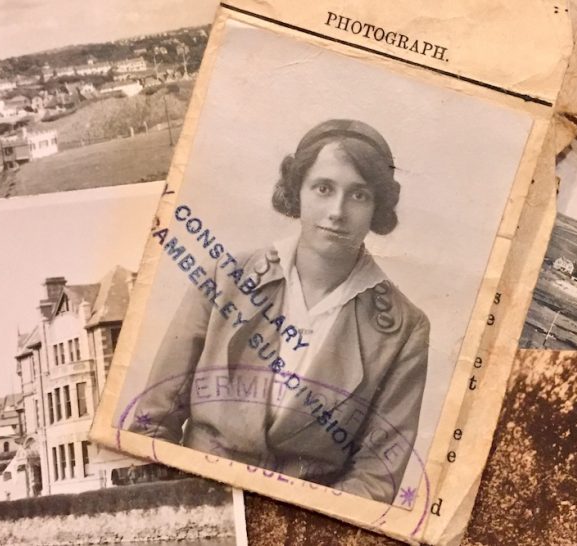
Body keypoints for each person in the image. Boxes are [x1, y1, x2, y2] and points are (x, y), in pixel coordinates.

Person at [129, 119, 430, 504]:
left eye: (359, 195)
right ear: (297, 190)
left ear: (377, 207)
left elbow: (374, 479)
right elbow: (152, 424)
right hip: (196, 504)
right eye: (323, 188)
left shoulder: (405, 331)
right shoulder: (225, 277)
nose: (337, 211)